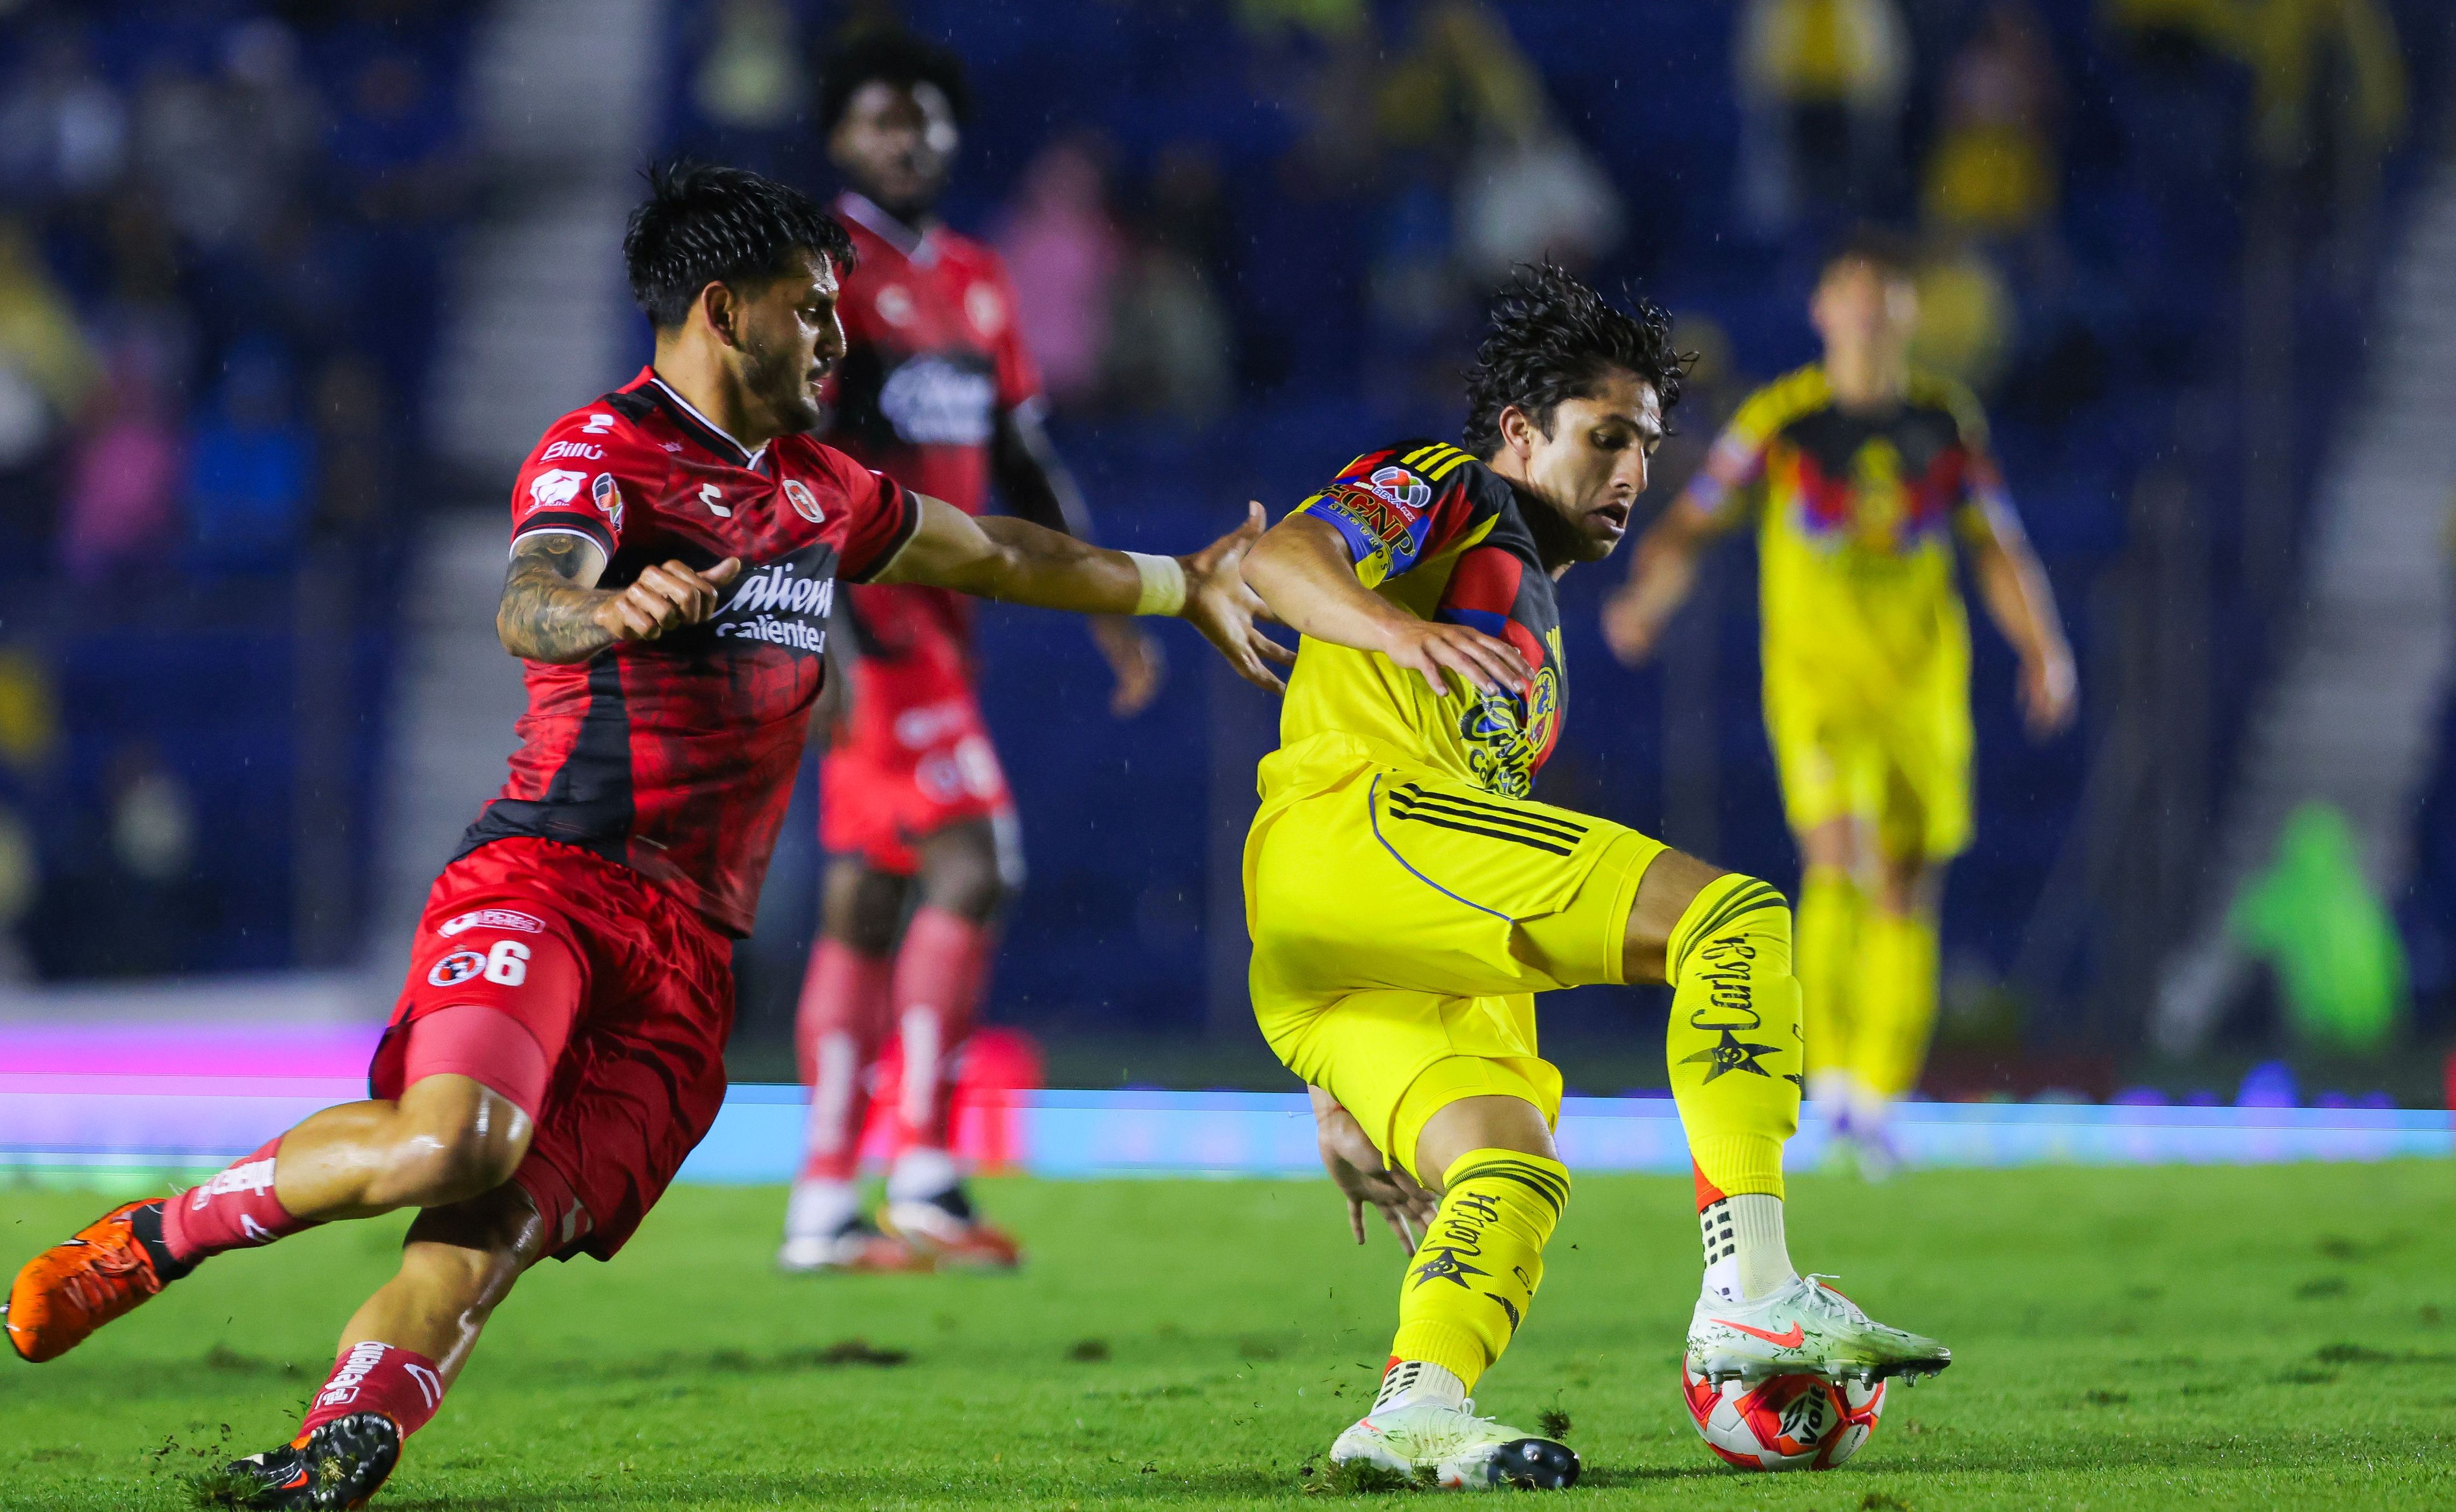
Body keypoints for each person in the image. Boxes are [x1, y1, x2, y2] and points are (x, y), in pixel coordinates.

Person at [0, 161, 1288, 1509]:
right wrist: (602, 613)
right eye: (814, 309)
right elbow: (531, 597)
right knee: (456, 1142)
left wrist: (1176, 585)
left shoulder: (823, 490)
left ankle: (339, 1444)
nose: (839, 339)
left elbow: (1001, 554)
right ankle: (156, 1237)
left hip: (694, 958)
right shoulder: (600, 453)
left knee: (494, 1231)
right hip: (552, 880)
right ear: (725, 311)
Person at [1238, 259, 1951, 1489]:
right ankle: (1754, 1290)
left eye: (1649, 447)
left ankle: (1413, 1411)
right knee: (1731, 921)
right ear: (1522, 432)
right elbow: (1281, 560)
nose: (1632, 472)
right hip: (1360, 826)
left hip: (1353, 932)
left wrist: (1333, 1083)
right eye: (1606, 437)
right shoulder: (1452, 488)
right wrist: (1400, 628)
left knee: (1508, 1162)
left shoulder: (1536, 625)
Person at [778, 31, 1166, 1273]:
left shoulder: (976, 279)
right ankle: (926, 1171)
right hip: (874, 618)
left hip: (945, 626)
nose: (906, 140)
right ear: (841, 137)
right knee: (977, 859)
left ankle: (825, 1202)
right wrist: (821, 635)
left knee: (869, 893)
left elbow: (1023, 458)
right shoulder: (824, 277)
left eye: (925, 119)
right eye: (881, 120)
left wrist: (1105, 599)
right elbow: (796, 467)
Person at [1602, 229, 2075, 1173]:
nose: (1865, 312)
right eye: (1849, 294)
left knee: (1904, 882)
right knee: (1837, 854)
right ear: (1822, 311)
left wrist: (2043, 647)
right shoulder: (1782, 423)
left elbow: (1995, 544)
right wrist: (1647, 600)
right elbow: (1695, 520)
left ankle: (1880, 1093)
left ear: (1907, 312)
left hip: (1920, 689)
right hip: (1818, 687)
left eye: (1881, 295)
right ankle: (1831, 1086)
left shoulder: (1944, 424)